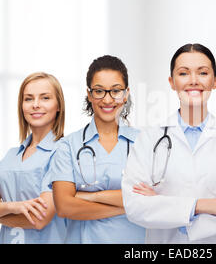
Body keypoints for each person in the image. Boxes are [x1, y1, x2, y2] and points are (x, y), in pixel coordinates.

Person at [122, 43, 216, 244]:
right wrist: (203, 205)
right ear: (172, 82)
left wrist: (162, 205)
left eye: (203, 73)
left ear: (215, 81)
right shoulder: (149, 139)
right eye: (183, 73)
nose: (193, 81)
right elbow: (135, 206)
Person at [48, 55, 145, 243]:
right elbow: (65, 206)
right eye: (99, 91)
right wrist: (125, 206)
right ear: (89, 94)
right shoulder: (68, 146)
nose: (108, 99)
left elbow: (151, 199)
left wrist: (91, 197)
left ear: (126, 94)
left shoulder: (144, 143)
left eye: (116, 91)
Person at [0, 72, 67, 244]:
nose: (36, 105)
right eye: (28, 99)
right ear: (21, 106)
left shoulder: (63, 153)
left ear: (58, 105)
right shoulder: (11, 156)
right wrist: (13, 206)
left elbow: (39, 219)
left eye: (45, 98)